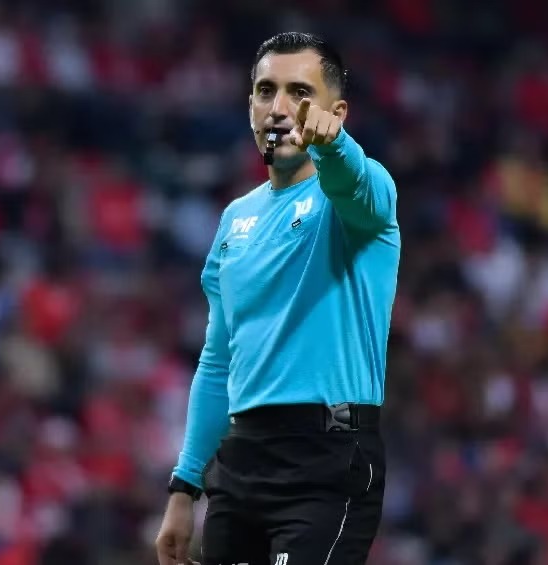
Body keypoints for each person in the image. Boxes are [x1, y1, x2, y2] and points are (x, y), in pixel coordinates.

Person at [155, 32, 400, 565]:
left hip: (328, 461)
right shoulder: (234, 219)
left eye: (300, 92)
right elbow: (219, 361)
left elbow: (354, 184)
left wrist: (334, 144)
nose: (280, 107)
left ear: (336, 111)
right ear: (250, 107)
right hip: (241, 463)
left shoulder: (363, 193)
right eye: (266, 91)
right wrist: (184, 487)